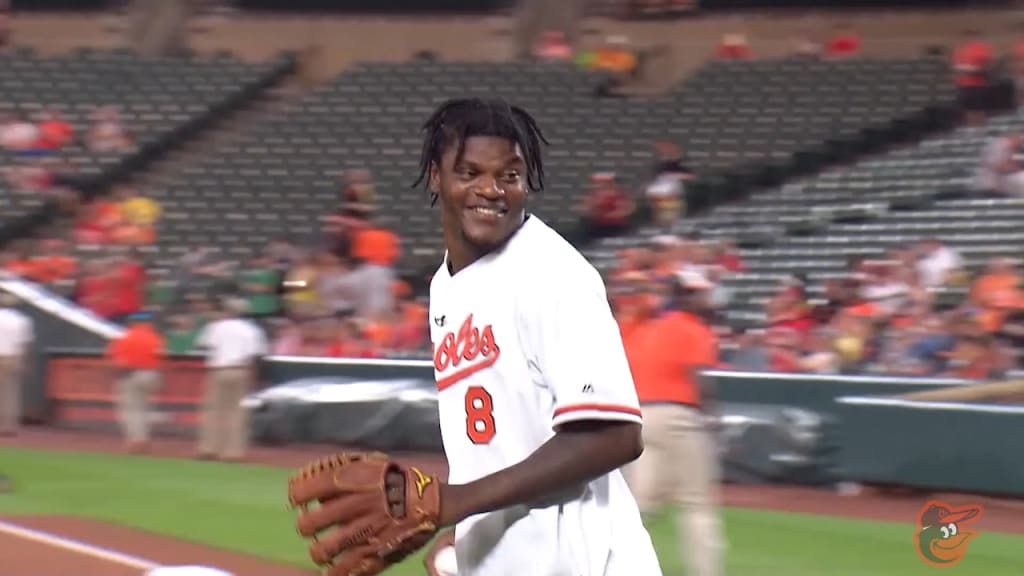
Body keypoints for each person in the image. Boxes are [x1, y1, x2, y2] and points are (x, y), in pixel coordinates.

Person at [412, 98, 662, 575]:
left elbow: (615, 435)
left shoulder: (552, 273)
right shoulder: (445, 286)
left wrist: (457, 501)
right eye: (469, 172)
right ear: (436, 178)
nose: (491, 189)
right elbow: (501, 440)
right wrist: (467, 532)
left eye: (510, 175)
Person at [621, 271, 725, 576]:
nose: (706, 299)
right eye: (701, 294)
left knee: (639, 506)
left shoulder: (643, 328)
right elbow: (699, 377)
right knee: (696, 503)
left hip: (642, 419)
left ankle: (607, 564)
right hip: (680, 417)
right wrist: (713, 414)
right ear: (688, 295)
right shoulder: (693, 327)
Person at [194, 297, 267, 461]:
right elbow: (257, 353)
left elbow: (203, 345)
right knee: (238, 413)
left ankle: (209, 449)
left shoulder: (216, 327)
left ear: (227, 311)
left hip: (219, 370)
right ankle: (233, 452)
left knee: (214, 411)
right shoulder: (252, 329)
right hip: (241, 370)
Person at [106, 311, 165, 453]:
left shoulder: (124, 337)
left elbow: (117, 361)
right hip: (152, 375)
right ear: (148, 323)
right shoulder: (156, 338)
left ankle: (137, 440)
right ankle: (143, 437)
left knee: (131, 411)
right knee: (145, 408)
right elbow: (161, 356)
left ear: (132, 323)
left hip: (131, 375)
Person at [0, 291, 33, 437]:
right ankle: (8, 426)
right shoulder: (22, 320)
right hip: (13, 356)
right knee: (10, 393)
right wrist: (25, 361)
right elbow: (26, 343)